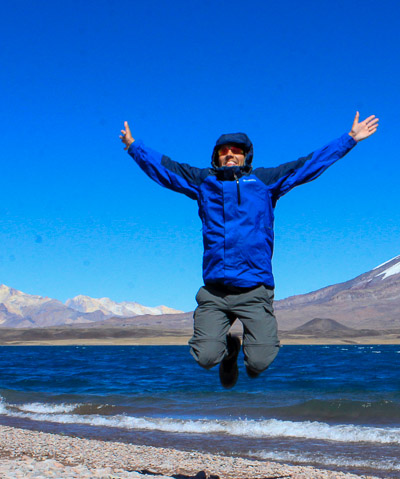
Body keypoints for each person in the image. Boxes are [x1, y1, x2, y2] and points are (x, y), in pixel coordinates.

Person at [120, 113, 379, 388]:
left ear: (246, 156)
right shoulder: (203, 182)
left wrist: (349, 139)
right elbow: (165, 169)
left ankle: (241, 351)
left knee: (258, 364)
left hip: (255, 290)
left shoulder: (265, 182)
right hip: (216, 291)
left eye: (236, 151)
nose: (230, 155)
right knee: (206, 357)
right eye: (224, 151)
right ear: (216, 157)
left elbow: (307, 165)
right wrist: (134, 147)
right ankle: (229, 349)